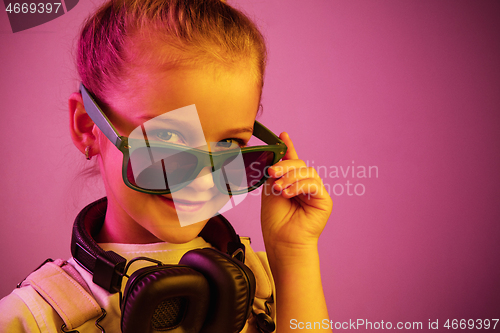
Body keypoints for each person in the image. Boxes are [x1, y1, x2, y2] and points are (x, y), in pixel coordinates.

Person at [0, 0, 333, 332]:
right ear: (89, 127)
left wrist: (293, 252)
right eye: (169, 136)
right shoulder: (32, 317)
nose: (203, 178)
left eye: (229, 143)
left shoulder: (271, 286)